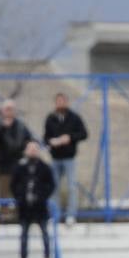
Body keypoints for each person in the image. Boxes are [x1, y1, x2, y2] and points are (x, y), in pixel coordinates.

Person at [43, 92, 89, 224]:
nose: (60, 103)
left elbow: (84, 134)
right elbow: (45, 137)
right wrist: (51, 142)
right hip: (55, 157)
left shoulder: (74, 118)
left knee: (71, 186)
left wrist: (70, 138)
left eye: (63, 101)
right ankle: (55, 214)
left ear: (67, 102)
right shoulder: (50, 118)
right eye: (58, 101)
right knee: (54, 187)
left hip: (69, 158)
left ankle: (71, 214)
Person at [10, 141, 54, 258]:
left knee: (45, 233)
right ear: (25, 151)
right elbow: (14, 184)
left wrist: (42, 196)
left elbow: (51, 185)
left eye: (35, 149)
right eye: (30, 149)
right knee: (24, 234)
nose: (33, 151)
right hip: (25, 207)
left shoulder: (44, 167)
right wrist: (20, 197)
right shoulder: (20, 167)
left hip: (40, 207)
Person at [0, 100, 33, 200]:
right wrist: (3, 127)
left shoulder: (21, 126)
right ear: (2, 111)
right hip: (4, 168)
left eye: (11, 109)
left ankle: (19, 215)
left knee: (20, 194)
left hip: (20, 166)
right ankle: (5, 215)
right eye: (7, 109)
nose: (9, 112)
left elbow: (30, 140)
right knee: (5, 196)